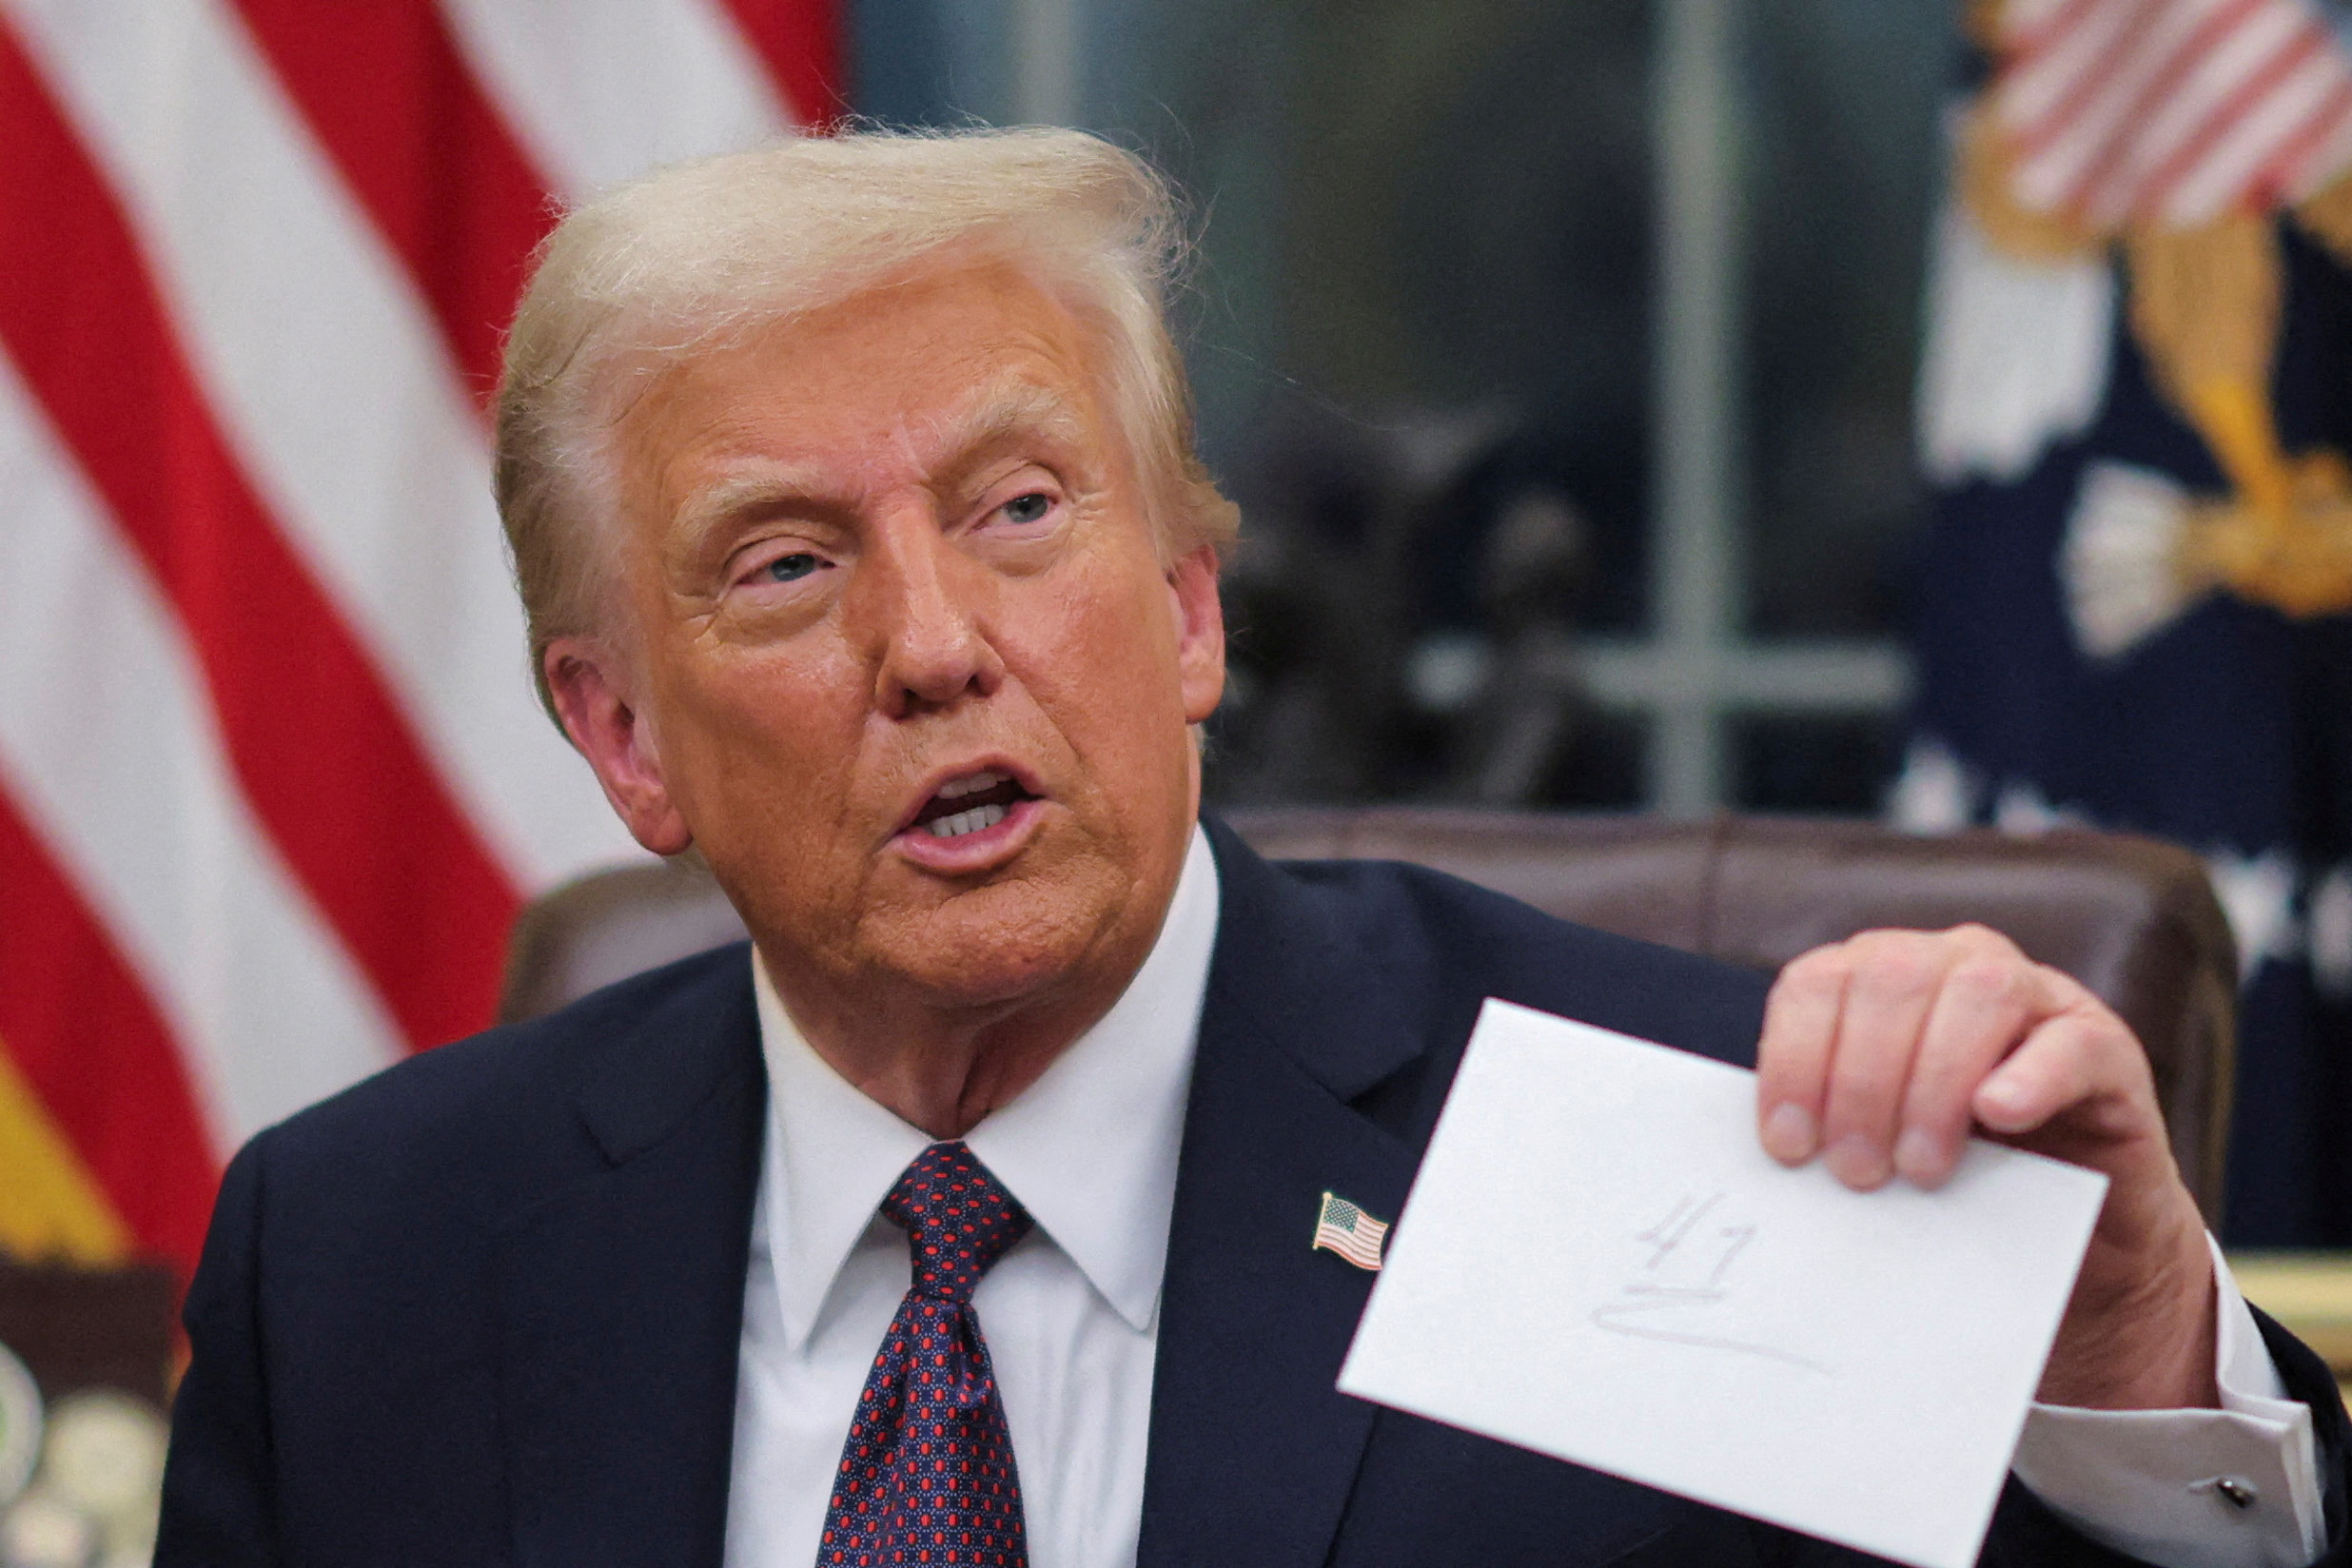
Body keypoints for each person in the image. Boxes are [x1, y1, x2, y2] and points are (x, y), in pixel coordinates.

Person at [156, 129, 2347, 1568]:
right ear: (626, 737)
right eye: (789, 564)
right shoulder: (364, 1270)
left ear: (1189, 609)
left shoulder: (1710, 1151)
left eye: (1022, 512)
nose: (938, 646)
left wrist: (2138, 1361)